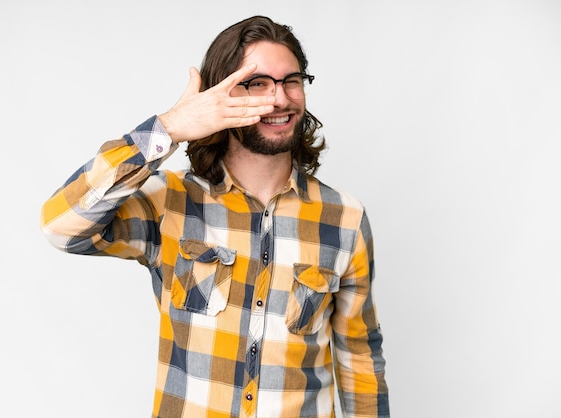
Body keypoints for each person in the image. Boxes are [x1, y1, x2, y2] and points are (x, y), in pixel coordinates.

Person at [40, 15, 389, 418]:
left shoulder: (344, 218)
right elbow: (60, 226)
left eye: (291, 81)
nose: (279, 98)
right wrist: (168, 128)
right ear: (218, 97)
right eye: (256, 83)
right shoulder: (170, 201)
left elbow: (360, 361)